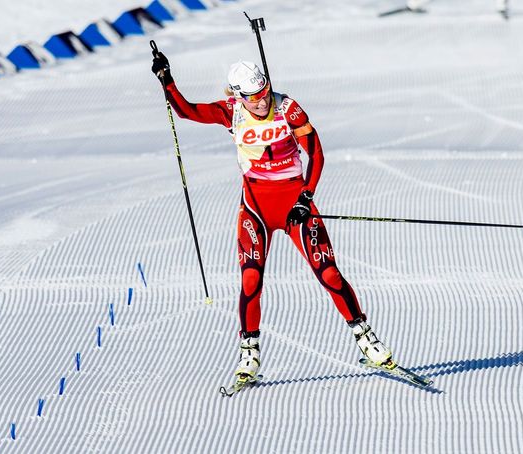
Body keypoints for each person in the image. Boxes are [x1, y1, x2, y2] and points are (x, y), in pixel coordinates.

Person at [151, 52, 392, 380]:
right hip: (256, 208)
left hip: (295, 204)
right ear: (239, 96)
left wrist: (307, 196)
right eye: (254, 98)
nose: (263, 102)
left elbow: (316, 151)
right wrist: (167, 80)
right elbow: (188, 111)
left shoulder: (287, 108)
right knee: (251, 279)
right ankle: (249, 353)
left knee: (329, 273)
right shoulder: (231, 112)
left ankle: (366, 338)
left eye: (265, 93)